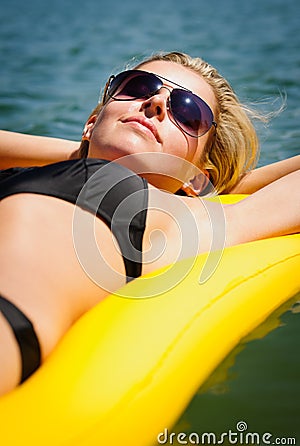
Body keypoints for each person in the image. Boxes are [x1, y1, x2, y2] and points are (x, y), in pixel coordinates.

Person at [0, 51, 299, 396]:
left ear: (198, 175)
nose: (156, 101)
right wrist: (94, 146)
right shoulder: (30, 174)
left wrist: (188, 180)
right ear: (91, 121)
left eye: (189, 113)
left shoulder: (183, 218)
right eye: (138, 87)